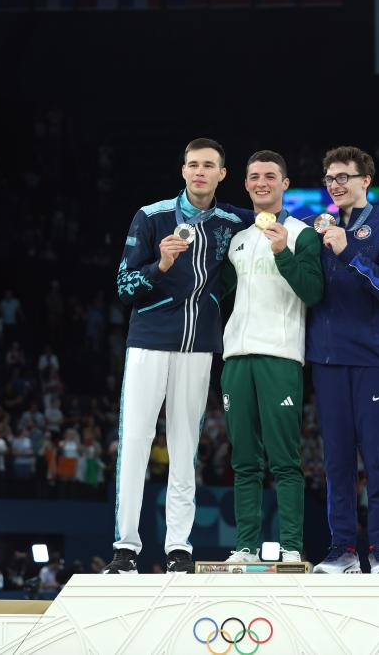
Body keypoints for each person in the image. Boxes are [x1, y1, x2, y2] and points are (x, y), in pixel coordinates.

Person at [104, 138, 252, 575]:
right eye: (193, 165)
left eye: (208, 165)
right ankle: (125, 548)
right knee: (135, 442)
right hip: (148, 342)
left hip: (198, 347)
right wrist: (161, 265)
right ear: (183, 170)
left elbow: (273, 219)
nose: (199, 172)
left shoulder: (231, 221)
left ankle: (178, 548)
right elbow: (124, 288)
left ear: (222, 174)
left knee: (185, 447)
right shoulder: (151, 217)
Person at [307, 146, 379, 575]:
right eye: (330, 178)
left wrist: (349, 251)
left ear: (366, 180)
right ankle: (343, 549)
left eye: (343, 177)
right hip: (326, 359)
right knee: (336, 460)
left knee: (378, 458)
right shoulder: (317, 228)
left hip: (371, 359)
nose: (335, 185)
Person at [219, 151, 323, 565]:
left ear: (285, 184)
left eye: (269, 176)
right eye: (254, 177)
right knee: (244, 461)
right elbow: (218, 293)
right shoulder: (239, 240)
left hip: (279, 356)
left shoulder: (302, 235)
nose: (261, 182)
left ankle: (292, 548)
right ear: (246, 184)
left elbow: (313, 292)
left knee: (284, 460)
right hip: (235, 357)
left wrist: (282, 251)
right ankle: (244, 548)